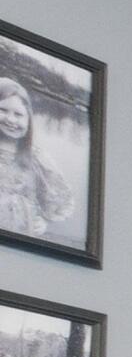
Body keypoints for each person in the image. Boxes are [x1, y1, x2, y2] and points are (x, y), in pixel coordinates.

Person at [0, 76, 78, 241]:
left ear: (28, 120)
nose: (11, 119)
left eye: (18, 114)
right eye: (3, 110)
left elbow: (60, 199)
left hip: (22, 235)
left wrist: (44, 221)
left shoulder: (36, 158)